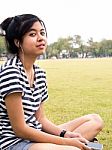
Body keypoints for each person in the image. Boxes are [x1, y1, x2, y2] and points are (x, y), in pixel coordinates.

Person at [0, 14, 103, 150]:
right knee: (73, 149)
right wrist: (65, 143)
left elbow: (40, 119)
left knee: (95, 120)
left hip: (36, 132)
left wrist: (64, 134)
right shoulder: (11, 72)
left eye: (42, 33)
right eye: (32, 34)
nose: (41, 38)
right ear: (18, 42)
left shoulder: (40, 73)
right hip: (14, 142)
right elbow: (20, 130)